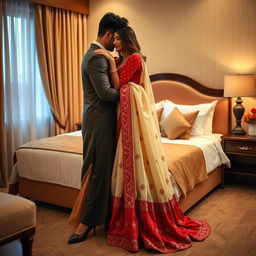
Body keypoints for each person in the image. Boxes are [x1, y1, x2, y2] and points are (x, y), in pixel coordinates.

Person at [94, 26, 211, 253]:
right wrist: (112, 58)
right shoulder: (124, 59)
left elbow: (118, 86)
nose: (115, 43)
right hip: (125, 120)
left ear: (127, 40)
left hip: (136, 122)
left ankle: (139, 214)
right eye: (114, 39)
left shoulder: (135, 59)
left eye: (118, 39)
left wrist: (109, 61)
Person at [67, 13, 128, 244]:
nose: (116, 43)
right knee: (96, 171)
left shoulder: (97, 55)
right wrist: (130, 91)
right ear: (110, 34)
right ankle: (86, 222)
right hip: (99, 121)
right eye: (116, 38)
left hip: (98, 120)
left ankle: (98, 217)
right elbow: (105, 94)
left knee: (99, 169)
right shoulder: (97, 58)